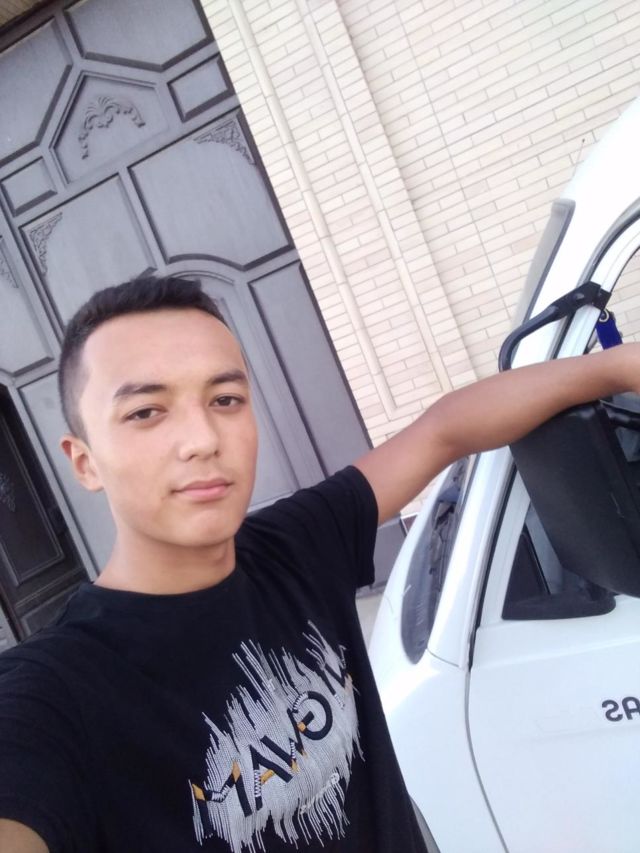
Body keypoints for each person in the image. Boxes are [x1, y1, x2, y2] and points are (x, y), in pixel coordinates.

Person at [0, 275, 637, 853]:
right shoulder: (53, 694)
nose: (202, 440)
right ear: (84, 461)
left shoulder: (296, 547)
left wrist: (616, 367)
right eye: (146, 412)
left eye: (225, 399)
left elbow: (445, 430)